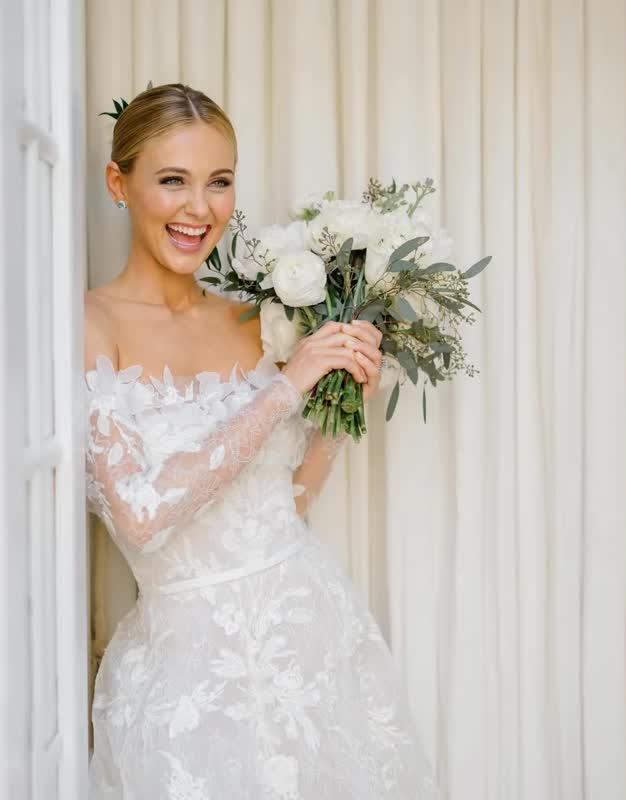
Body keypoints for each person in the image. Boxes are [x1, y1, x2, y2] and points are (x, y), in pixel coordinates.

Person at [84, 82, 439, 799]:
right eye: (173, 181)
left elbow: (284, 506)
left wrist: (340, 416)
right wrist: (288, 388)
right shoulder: (90, 323)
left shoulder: (254, 321)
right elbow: (141, 515)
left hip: (313, 640)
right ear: (119, 184)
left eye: (219, 182)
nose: (199, 209)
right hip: (192, 676)